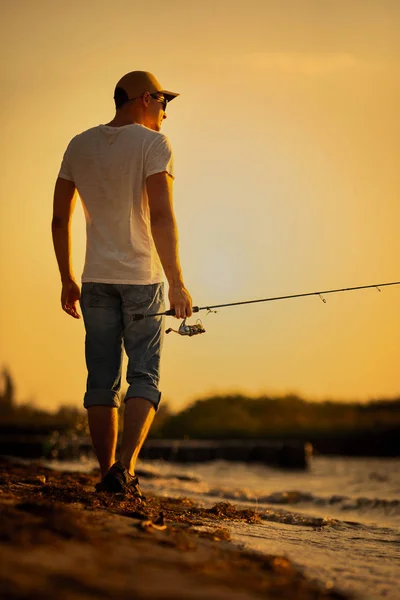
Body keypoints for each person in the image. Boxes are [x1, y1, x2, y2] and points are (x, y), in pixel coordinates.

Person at [51, 70, 193, 498]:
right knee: (144, 375)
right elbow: (163, 216)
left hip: (94, 280)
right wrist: (178, 283)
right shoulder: (155, 144)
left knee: (101, 380)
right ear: (145, 98)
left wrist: (66, 279)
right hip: (142, 279)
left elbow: (60, 218)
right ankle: (125, 469)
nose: (166, 111)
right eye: (163, 102)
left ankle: (106, 471)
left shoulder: (79, 144)